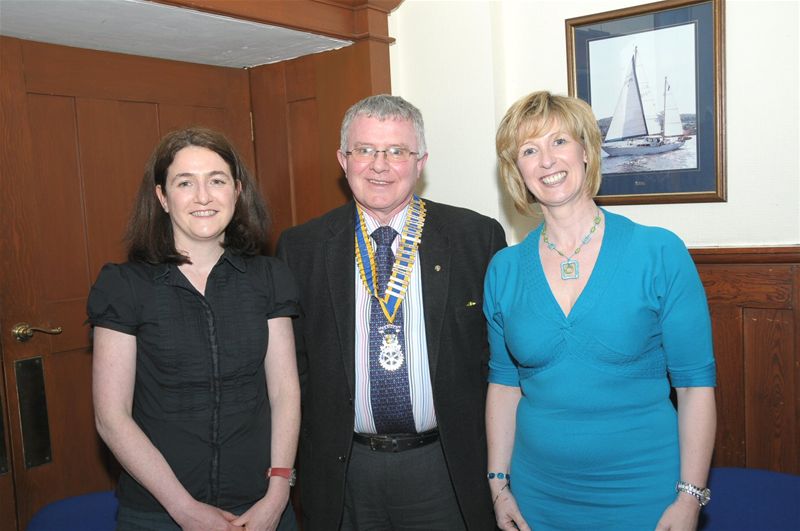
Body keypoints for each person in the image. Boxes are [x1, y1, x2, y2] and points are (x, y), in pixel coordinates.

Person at [485, 91, 717, 531]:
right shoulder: (504, 269)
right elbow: (504, 385)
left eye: (559, 142)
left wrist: (690, 498)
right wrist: (498, 486)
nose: (547, 161)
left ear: (587, 152)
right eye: (529, 150)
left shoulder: (659, 252)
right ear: (517, 170)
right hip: (538, 498)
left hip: (646, 493)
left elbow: (694, 388)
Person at [276, 94, 506, 530]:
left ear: (420, 162)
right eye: (365, 150)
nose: (379, 165)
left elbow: (498, 363)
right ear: (343, 159)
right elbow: (295, 368)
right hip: (345, 470)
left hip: (446, 466)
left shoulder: (477, 239)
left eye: (397, 151)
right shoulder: (300, 247)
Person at [88, 128, 301, 531]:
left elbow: (284, 391)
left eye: (217, 181)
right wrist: (183, 508)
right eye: (185, 183)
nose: (203, 196)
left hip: (261, 507)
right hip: (159, 512)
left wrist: (278, 492)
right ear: (163, 198)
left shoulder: (270, 278)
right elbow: (111, 417)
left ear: (237, 192)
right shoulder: (123, 286)